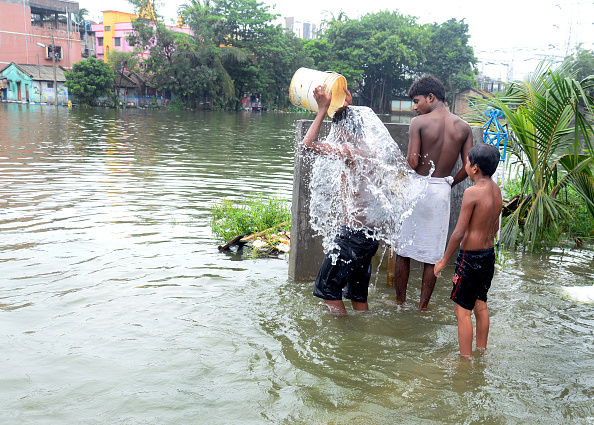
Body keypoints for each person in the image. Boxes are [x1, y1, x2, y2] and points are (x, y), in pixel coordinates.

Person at [392, 75, 474, 310]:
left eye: (417, 101)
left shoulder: (419, 123)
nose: (415, 107)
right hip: (441, 191)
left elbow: (412, 161)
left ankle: (400, 303)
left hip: (417, 187)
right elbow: (469, 168)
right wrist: (449, 183)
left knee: (403, 250)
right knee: (433, 254)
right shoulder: (463, 127)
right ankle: (422, 308)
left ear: (431, 97)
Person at [303, 85, 379, 316]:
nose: (335, 134)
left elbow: (308, 145)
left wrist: (322, 110)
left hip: (353, 236)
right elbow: (351, 122)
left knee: (327, 288)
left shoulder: (351, 151)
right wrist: (348, 103)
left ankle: (346, 337)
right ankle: (362, 331)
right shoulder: (370, 149)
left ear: (345, 130)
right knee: (357, 293)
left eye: (337, 128)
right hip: (369, 237)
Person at [433, 143, 502, 359]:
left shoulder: (473, 193)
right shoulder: (496, 189)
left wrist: (444, 260)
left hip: (470, 258)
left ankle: (466, 361)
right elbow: (496, 226)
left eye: (468, 161)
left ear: (475, 168)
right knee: (481, 304)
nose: (466, 164)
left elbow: (459, 233)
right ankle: (481, 351)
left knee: (462, 311)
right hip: (488, 255)